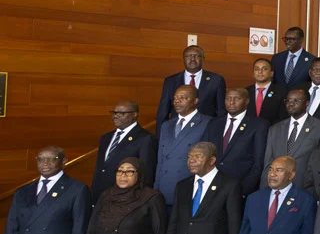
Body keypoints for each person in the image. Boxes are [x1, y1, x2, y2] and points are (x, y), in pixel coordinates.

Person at [155, 86, 210, 215]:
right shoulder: (166, 125)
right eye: (175, 98)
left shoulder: (207, 122)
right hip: (164, 188)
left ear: (195, 101)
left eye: (183, 98)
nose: (177, 101)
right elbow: (161, 160)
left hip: (188, 188)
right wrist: (156, 187)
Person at [206, 88, 269, 197]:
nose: (231, 102)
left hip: (238, 188)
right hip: (211, 185)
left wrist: (244, 190)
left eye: (237, 99)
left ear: (247, 101)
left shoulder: (259, 125)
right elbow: (206, 152)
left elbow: (258, 162)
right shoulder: (214, 123)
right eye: (228, 98)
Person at [92, 101, 156, 206]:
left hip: (127, 199)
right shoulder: (106, 137)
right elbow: (101, 169)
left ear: (134, 114)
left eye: (121, 113)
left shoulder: (145, 138)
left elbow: (146, 173)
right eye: (114, 113)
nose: (115, 116)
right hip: (101, 197)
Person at [262, 89, 320, 193]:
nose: (291, 104)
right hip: (276, 188)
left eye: (296, 100)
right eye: (288, 100)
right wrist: (264, 188)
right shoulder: (275, 128)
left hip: (305, 188)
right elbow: (268, 161)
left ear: (307, 103)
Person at [155, 45, 225, 125]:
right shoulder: (171, 81)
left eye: (196, 56)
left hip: (206, 128)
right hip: (178, 128)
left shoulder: (216, 80)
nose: (192, 59)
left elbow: (221, 111)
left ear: (203, 59)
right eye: (188, 56)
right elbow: (163, 111)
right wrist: (161, 132)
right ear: (183, 59)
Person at [245, 58, 288, 126]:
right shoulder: (245, 91)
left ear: (271, 73)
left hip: (272, 129)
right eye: (256, 69)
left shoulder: (282, 92)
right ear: (253, 73)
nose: (260, 72)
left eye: (264, 69)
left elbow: (283, 117)